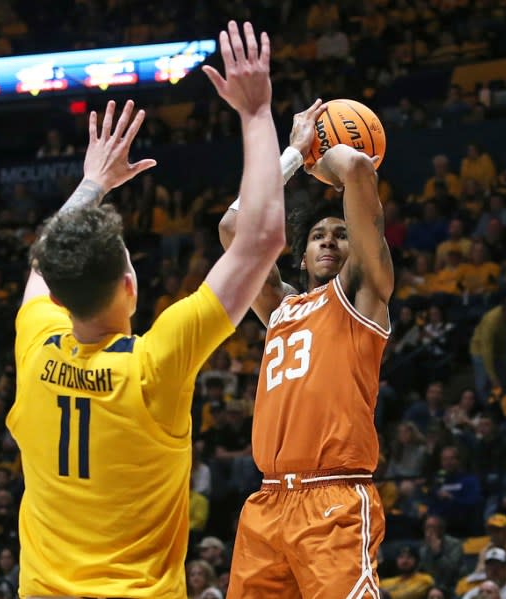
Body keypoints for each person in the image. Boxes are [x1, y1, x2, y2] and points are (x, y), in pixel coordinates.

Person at [9, 21, 287, 598]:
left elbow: (45, 258)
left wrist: (91, 183)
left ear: (58, 298)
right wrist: (256, 114)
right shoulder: (154, 365)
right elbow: (260, 238)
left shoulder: (35, 345)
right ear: (131, 287)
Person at [220, 68, 394, 599]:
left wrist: (323, 144)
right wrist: (294, 153)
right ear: (300, 256)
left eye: (342, 234)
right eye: (318, 235)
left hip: (334, 500)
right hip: (268, 502)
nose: (330, 241)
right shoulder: (280, 308)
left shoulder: (362, 295)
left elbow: (359, 165)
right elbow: (232, 227)